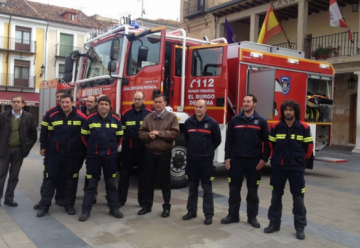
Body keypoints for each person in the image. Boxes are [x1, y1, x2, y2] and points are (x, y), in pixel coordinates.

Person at [264, 100, 313, 240]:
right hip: (279, 167)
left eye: (291, 110)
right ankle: (274, 224)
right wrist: (276, 158)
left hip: (295, 168)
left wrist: (301, 162)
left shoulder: (303, 127)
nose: (288, 112)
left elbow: (308, 148)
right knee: (275, 197)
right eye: (286, 109)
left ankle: (299, 227)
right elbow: (271, 145)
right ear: (283, 111)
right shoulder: (276, 127)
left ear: (295, 111)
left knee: (298, 199)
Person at [221, 94, 270, 228]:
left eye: (249, 101)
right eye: (244, 101)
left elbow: (267, 141)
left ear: (255, 104)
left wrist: (264, 159)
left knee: (253, 192)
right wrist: (227, 157)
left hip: (254, 162)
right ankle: (233, 215)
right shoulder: (236, 120)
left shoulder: (261, 121)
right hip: (237, 160)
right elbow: (229, 140)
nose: (246, 103)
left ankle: (252, 217)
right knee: (234, 190)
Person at [37, 94, 86, 217]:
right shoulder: (52, 115)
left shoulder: (81, 117)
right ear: (59, 102)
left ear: (72, 102)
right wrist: (43, 147)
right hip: (55, 154)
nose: (65, 105)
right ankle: (44, 206)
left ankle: (69, 206)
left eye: (67, 102)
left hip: (73, 155)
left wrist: (84, 153)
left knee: (71, 181)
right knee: (50, 180)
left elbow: (85, 136)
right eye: (62, 102)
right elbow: (45, 133)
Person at [79, 95, 123, 221]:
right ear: (97, 105)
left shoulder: (116, 120)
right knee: (91, 185)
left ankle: (114, 209)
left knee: (111, 184)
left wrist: (112, 149)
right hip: (94, 158)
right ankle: (85, 211)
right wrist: (92, 149)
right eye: (101, 104)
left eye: (106, 104)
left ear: (109, 106)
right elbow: (84, 136)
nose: (103, 106)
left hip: (110, 158)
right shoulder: (90, 119)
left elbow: (119, 137)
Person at [138, 94, 179, 217]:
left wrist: (159, 133)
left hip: (164, 154)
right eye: (156, 102)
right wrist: (147, 136)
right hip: (150, 153)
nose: (158, 104)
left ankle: (166, 207)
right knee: (148, 180)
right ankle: (147, 206)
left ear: (165, 103)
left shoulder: (172, 117)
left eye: (160, 102)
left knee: (165, 181)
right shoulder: (148, 117)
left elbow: (175, 133)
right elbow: (141, 132)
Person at [182, 99, 221, 225]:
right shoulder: (188, 122)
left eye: (201, 107)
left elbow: (217, 140)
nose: (198, 109)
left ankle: (208, 214)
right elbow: (187, 139)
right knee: (192, 187)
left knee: (207, 188)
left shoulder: (212, 123)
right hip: (192, 160)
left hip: (205, 161)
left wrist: (207, 151)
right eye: (196, 107)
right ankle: (191, 211)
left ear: (206, 109)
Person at [0, 95, 37, 207]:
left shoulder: (28, 117)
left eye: (18, 102)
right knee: (1, 175)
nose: (16, 104)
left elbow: (33, 134)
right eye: (14, 102)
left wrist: (26, 148)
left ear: (23, 104)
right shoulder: (3, 116)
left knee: (14, 176)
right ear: (11, 103)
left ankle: (9, 198)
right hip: (4, 151)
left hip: (19, 151)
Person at [34, 89, 68, 210]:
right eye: (58, 97)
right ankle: (44, 200)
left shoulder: (72, 113)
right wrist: (43, 147)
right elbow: (44, 132)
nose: (60, 99)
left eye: (62, 97)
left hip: (65, 153)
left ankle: (60, 198)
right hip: (51, 151)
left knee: (63, 176)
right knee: (48, 176)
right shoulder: (50, 113)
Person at [118, 91, 152, 207]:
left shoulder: (149, 114)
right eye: (135, 99)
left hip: (143, 148)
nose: (137, 101)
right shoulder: (126, 113)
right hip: (128, 148)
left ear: (143, 100)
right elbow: (121, 131)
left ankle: (142, 201)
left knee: (143, 175)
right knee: (124, 174)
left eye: (139, 99)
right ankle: (121, 200)